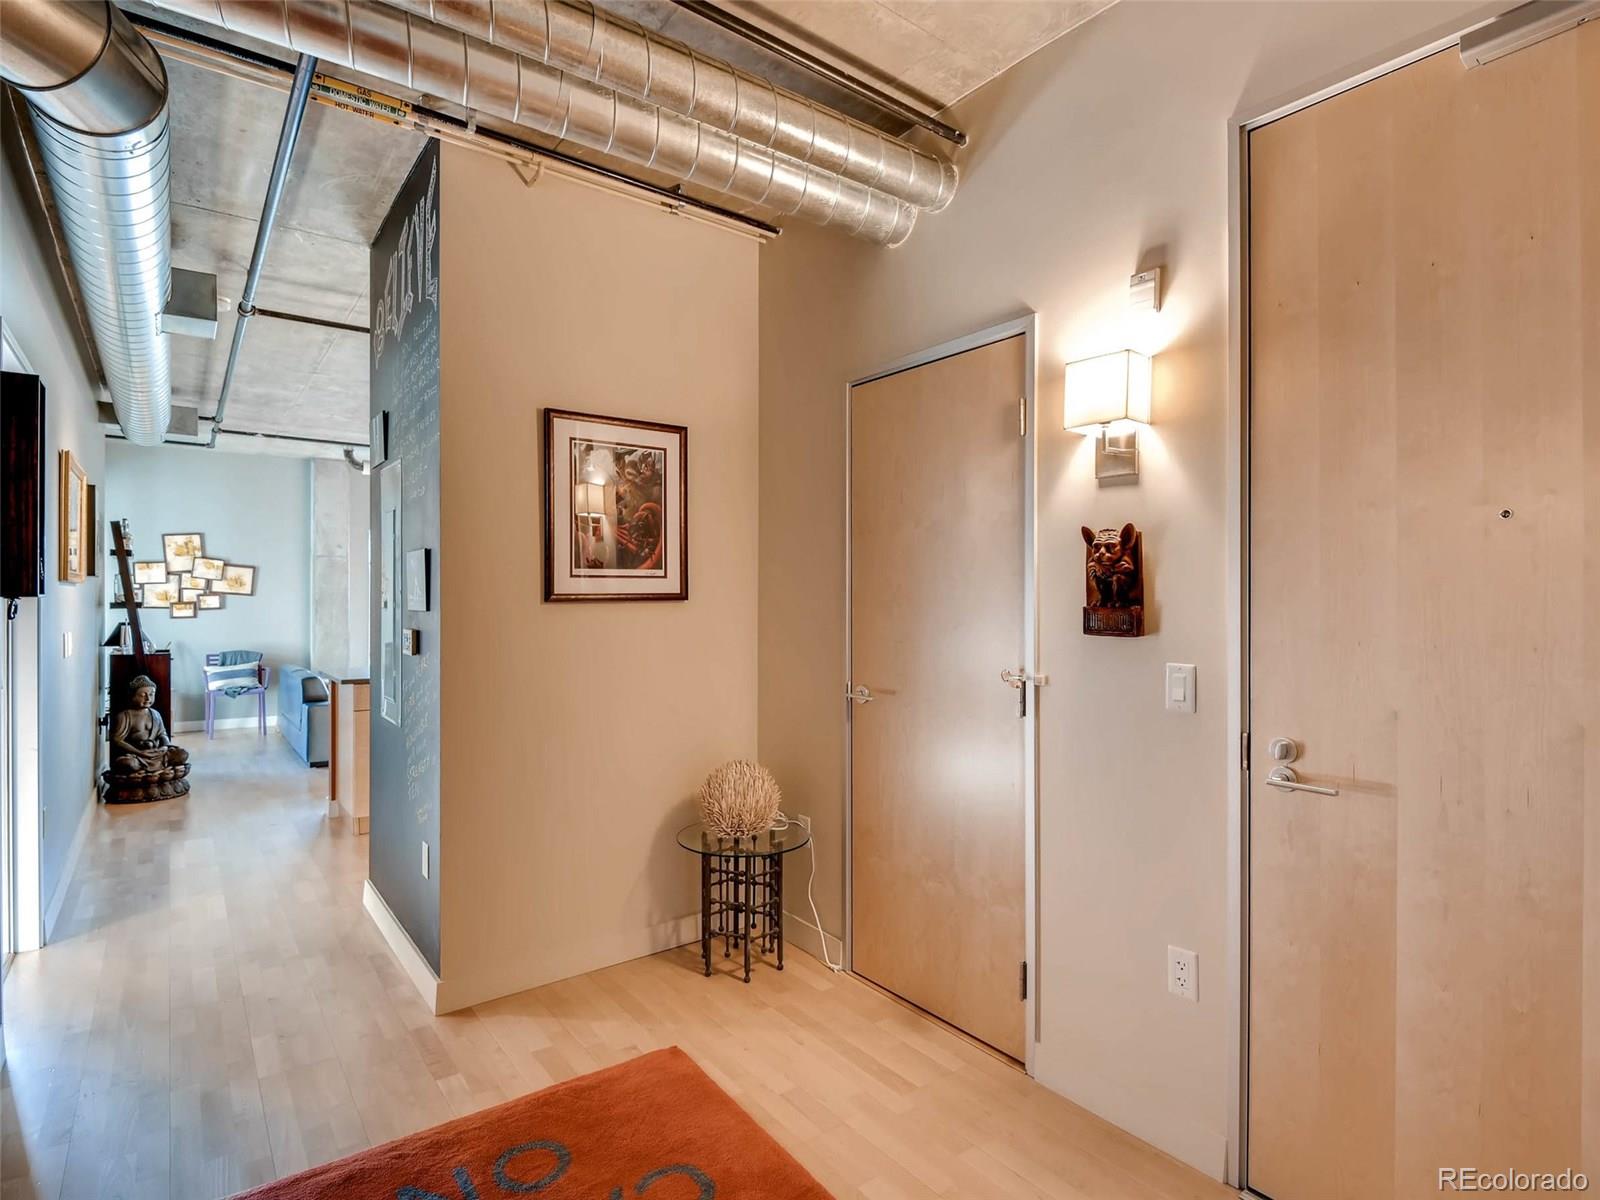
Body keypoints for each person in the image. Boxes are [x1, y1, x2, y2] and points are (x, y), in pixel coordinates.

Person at [110, 675, 189, 775]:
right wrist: (139, 752)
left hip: (158, 753)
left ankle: (148, 772)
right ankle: (158, 771)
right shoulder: (125, 716)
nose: (148, 698)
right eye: (143, 695)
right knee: (126, 763)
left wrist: (165, 746)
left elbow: (162, 734)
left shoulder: (155, 714)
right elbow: (117, 740)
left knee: (182, 754)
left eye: (151, 694)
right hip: (138, 755)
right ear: (133, 696)